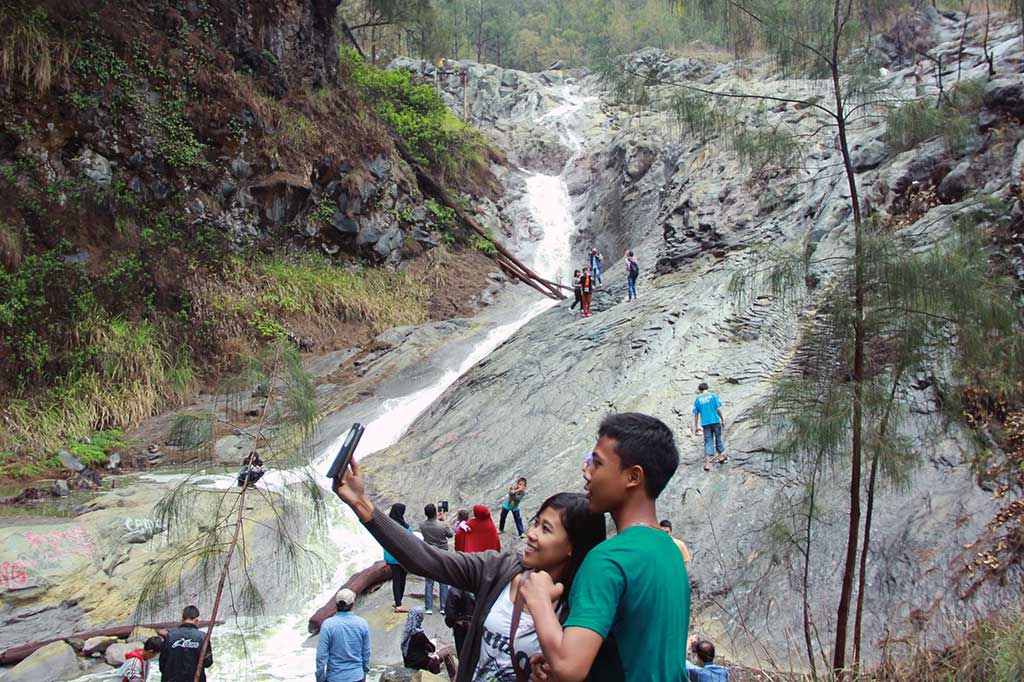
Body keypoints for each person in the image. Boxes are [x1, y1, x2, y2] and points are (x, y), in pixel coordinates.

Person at [330, 461, 606, 682]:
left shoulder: (582, 605)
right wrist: (361, 504)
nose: (531, 534)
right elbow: (426, 560)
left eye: (546, 529)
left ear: (573, 545)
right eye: (535, 523)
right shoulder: (500, 569)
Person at [520, 412, 690, 682]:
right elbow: (641, 647)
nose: (586, 472)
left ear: (633, 476)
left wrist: (539, 598)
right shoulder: (669, 550)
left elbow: (569, 667)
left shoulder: (607, 560)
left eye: (597, 463)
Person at [315, 588, 370, 682]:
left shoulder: (328, 625)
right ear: (353, 604)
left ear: (336, 604)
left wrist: (320, 678)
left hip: (334, 677)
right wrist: (364, 672)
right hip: (356, 676)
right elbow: (366, 652)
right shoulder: (362, 623)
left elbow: (321, 656)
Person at [158, 605, 213, 682]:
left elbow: (162, 663)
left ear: (182, 620)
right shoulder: (203, 637)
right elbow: (208, 662)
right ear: (197, 620)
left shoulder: (170, 636)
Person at [419, 503, 454, 615]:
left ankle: (428, 607)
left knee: (429, 581)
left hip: (428, 554)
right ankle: (443, 606)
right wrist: (444, 521)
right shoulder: (442, 525)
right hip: (442, 555)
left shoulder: (422, 525)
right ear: (435, 513)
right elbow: (451, 534)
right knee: (443, 581)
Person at [384, 503, 413, 612]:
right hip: (403, 557)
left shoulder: (387, 524)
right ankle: (399, 602)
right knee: (402, 579)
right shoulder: (405, 527)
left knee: (396, 579)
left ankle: (397, 601)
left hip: (391, 556)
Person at [693, 382, 727, 471]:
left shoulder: (698, 399)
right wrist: (722, 419)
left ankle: (707, 464)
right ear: (707, 388)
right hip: (715, 420)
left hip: (705, 423)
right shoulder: (713, 396)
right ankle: (720, 457)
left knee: (708, 441)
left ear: (700, 390)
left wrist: (696, 426)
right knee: (718, 437)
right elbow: (718, 408)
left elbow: (696, 414)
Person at [443, 586, 475, 655]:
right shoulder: (480, 585)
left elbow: (450, 612)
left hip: (461, 626)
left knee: (462, 652)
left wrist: (451, 622)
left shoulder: (455, 590)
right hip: (477, 625)